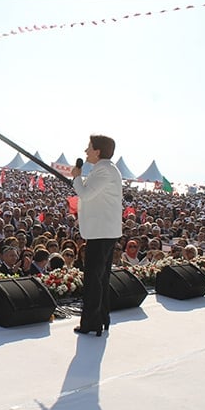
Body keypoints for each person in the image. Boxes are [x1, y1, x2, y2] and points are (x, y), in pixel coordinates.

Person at [70, 134, 122, 336]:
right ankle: (101, 319)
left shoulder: (103, 171)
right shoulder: (107, 169)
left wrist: (76, 176)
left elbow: (85, 194)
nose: (86, 151)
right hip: (104, 232)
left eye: (89, 147)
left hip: (100, 233)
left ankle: (91, 323)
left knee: (94, 278)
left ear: (98, 151)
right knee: (101, 278)